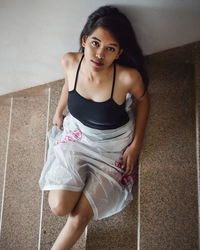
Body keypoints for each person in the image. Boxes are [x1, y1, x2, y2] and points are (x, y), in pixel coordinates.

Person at [39, 5, 150, 250]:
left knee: (78, 218)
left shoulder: (127, 77)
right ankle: (79, 181)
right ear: (84, 40)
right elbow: (68, 85)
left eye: (110, 49)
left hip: (111, 147)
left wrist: (136, 145)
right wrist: (59, 110)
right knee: (58, 206)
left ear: (119, 52)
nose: (99, 54)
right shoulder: (70, 61)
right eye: (95, 43)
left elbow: (143, 101)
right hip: (78, 137)